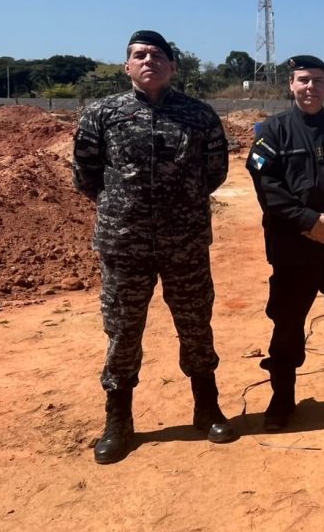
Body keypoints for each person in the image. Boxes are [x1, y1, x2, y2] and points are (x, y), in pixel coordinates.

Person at [73, 29, 234, 464]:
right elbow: (86, 175)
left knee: (196, 324)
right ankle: (118, 420)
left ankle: (207, 407)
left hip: (185, 241)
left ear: (173, 66)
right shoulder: (102, 114)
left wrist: (180, 205)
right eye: (140, 55)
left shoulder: (199, 115)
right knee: (123, 331)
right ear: (127, 66)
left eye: (158, 55)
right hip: (125, 243)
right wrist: (124, 207)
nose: (149, 61)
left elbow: (215, 171)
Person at [246, 55, 324, 430]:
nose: (310, 87)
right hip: (293, 248)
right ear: (291, 85)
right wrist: (308, 221)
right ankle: (282, 397)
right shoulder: (272, 131)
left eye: (318, 80)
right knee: (287, 324)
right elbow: (267, 186)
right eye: (303, 79)